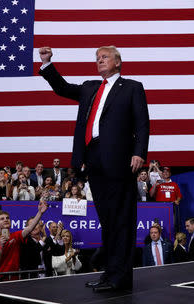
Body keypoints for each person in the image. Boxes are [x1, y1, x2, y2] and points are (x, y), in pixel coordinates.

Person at [39, 45, 149, 291]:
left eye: (105, 57)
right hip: (94, 160)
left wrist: (139, 153)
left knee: (122, 220)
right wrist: (47, 64)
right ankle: (109, 275)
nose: (99, 60)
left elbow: (142, 123)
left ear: (118, 62)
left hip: (121, 160)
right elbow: (63, 88)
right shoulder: (90, 87)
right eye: (97, 58)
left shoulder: (132, 87)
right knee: (107, 220)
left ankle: (121, 278)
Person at [0, 200, 48, 275]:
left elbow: (30, 228)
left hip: (14, 280)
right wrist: (1, 247)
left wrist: (40, 212)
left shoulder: (16, 236)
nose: (6, 220)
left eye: (7, 218)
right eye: (2, 219)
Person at [149, 167, 183, 232]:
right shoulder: (158, 182)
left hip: (171, 208)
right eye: (164, 172)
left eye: (167, 172)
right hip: (159, 208)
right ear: (161, 173)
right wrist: (155, 185)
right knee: (158, 225)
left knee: (171, 225)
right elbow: (151, 194)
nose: (165, 173)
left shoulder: (174, 184)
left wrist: (177, 200)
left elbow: (179, 196)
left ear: (170, 174)